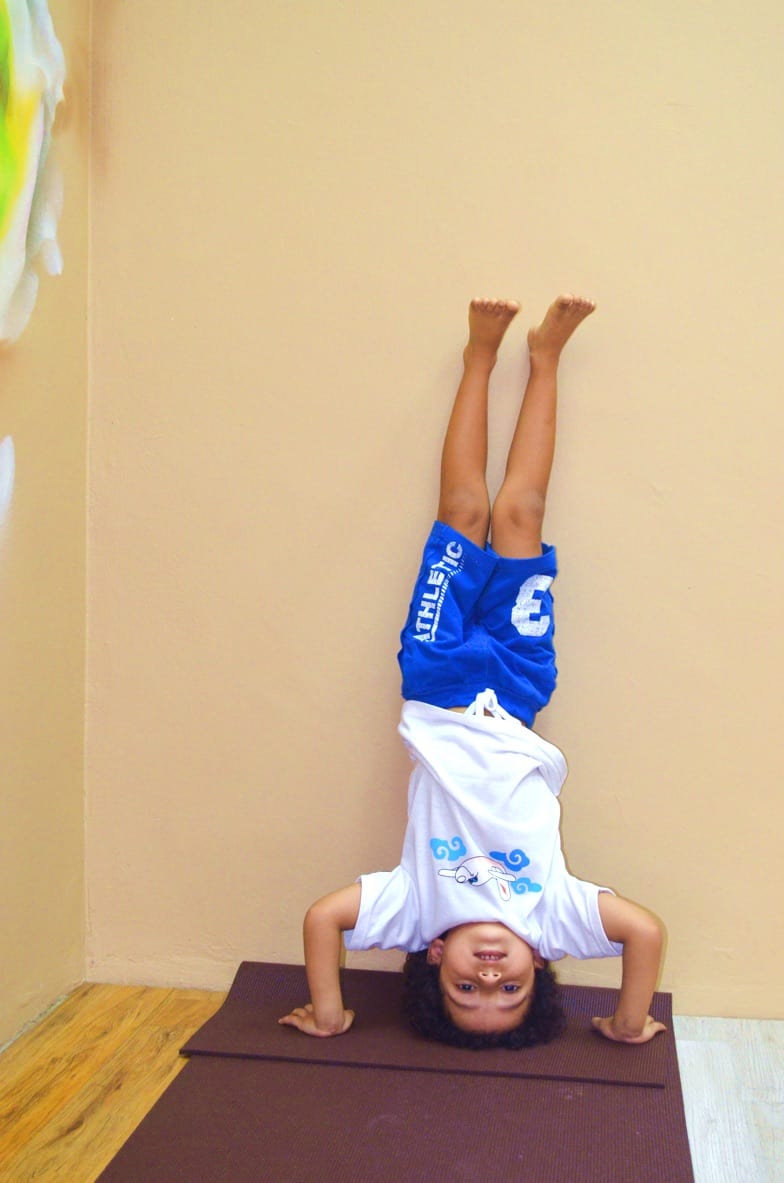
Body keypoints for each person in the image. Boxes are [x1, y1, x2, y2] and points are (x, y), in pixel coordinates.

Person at [279, 295, 665, 1049]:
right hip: (518, 688)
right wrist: (626, 1022)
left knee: (463, 510)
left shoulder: (415, 912)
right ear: (539, 966)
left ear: (434, 961)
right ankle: (546, 359)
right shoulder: (552, 916)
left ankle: (480, 357)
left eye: (467, 988)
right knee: (522, 516)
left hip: (438, 682)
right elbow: (644, 932)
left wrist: (328, 1012)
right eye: (509, 990)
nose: (490, 974)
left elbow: (323, 918)